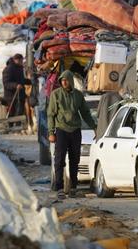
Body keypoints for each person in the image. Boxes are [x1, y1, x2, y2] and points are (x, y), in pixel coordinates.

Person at [48, 70, 97, 199]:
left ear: (70, 81)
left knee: (75, 160)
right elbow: (51, 115)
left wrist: (94, 127)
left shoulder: (78, 96)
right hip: (61, 130)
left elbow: (85, 113)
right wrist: (51, 132)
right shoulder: (56, 95)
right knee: (59, 160)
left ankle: (73, 188)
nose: (64, 82)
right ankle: (59, 188)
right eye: (62, 80)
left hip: (75, 130)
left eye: (66, 80)